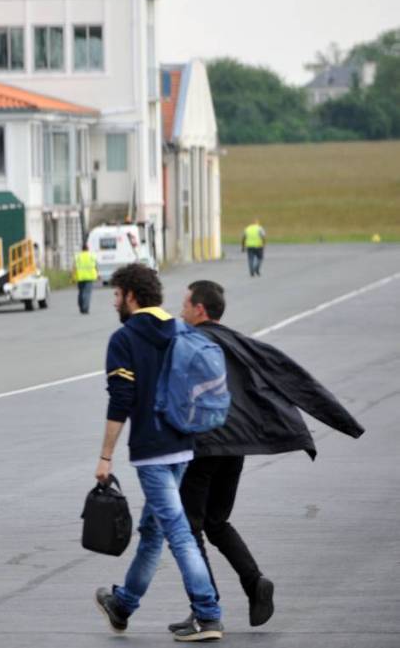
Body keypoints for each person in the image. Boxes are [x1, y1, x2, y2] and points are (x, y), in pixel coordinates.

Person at [170, 280, 364, 633]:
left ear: (200, 310)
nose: (179, 310)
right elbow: (291, 375)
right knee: (216, 523)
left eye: (184, 304)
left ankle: (205, 610)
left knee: (188, 528)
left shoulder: (192, 343)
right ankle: (255, 582)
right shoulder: (239, 342)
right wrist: (343, 420)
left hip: (207, 445)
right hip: (237, 446)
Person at [93, 264, 223, 642]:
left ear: (131, 296)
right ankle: (123, 604)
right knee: (153, 531)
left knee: (178, 532)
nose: (115, 302)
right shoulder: (181, 329)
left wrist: (105, 456)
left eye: (117, 295)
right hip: (183, 444)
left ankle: (208, 613)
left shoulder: (124, 338)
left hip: (151, 451)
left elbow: (121, 399)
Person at [74, 244, 99, 315]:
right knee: (87, 293)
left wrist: (73, 277)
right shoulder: (92, 256)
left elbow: (74, 267)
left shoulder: (78, 256)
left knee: (81, 293)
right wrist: (98, 275)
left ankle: (81, 307)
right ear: (88, 249)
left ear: (82, 249)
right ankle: (85, 308)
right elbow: (96, 266)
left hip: (80, 277)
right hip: (89, 277)